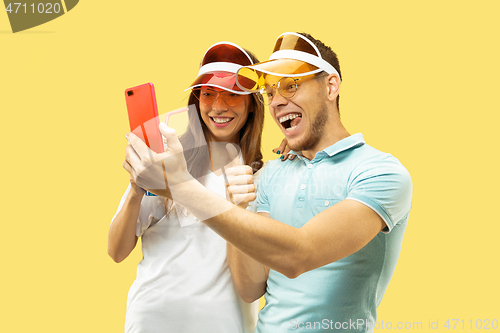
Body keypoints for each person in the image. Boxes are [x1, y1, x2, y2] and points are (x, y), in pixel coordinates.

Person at [123, 32, 413, 333]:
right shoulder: (273, 174)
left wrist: (181, 186)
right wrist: (238, 207)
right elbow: (250, 287)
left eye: (290, 86)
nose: (276, 102)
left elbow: (299, 255)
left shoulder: (381, 173)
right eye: (271, 92)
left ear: (331, 86)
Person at [109, 41, 265, 333]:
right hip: (150, 323)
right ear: (197, 100)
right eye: (208, 94)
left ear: (252, 105)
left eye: (232, 94)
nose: (219, 106)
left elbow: (252, 288)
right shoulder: (168, 158)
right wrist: (135, 188)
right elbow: (116, 251)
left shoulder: (263, 179)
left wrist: (237, 210)